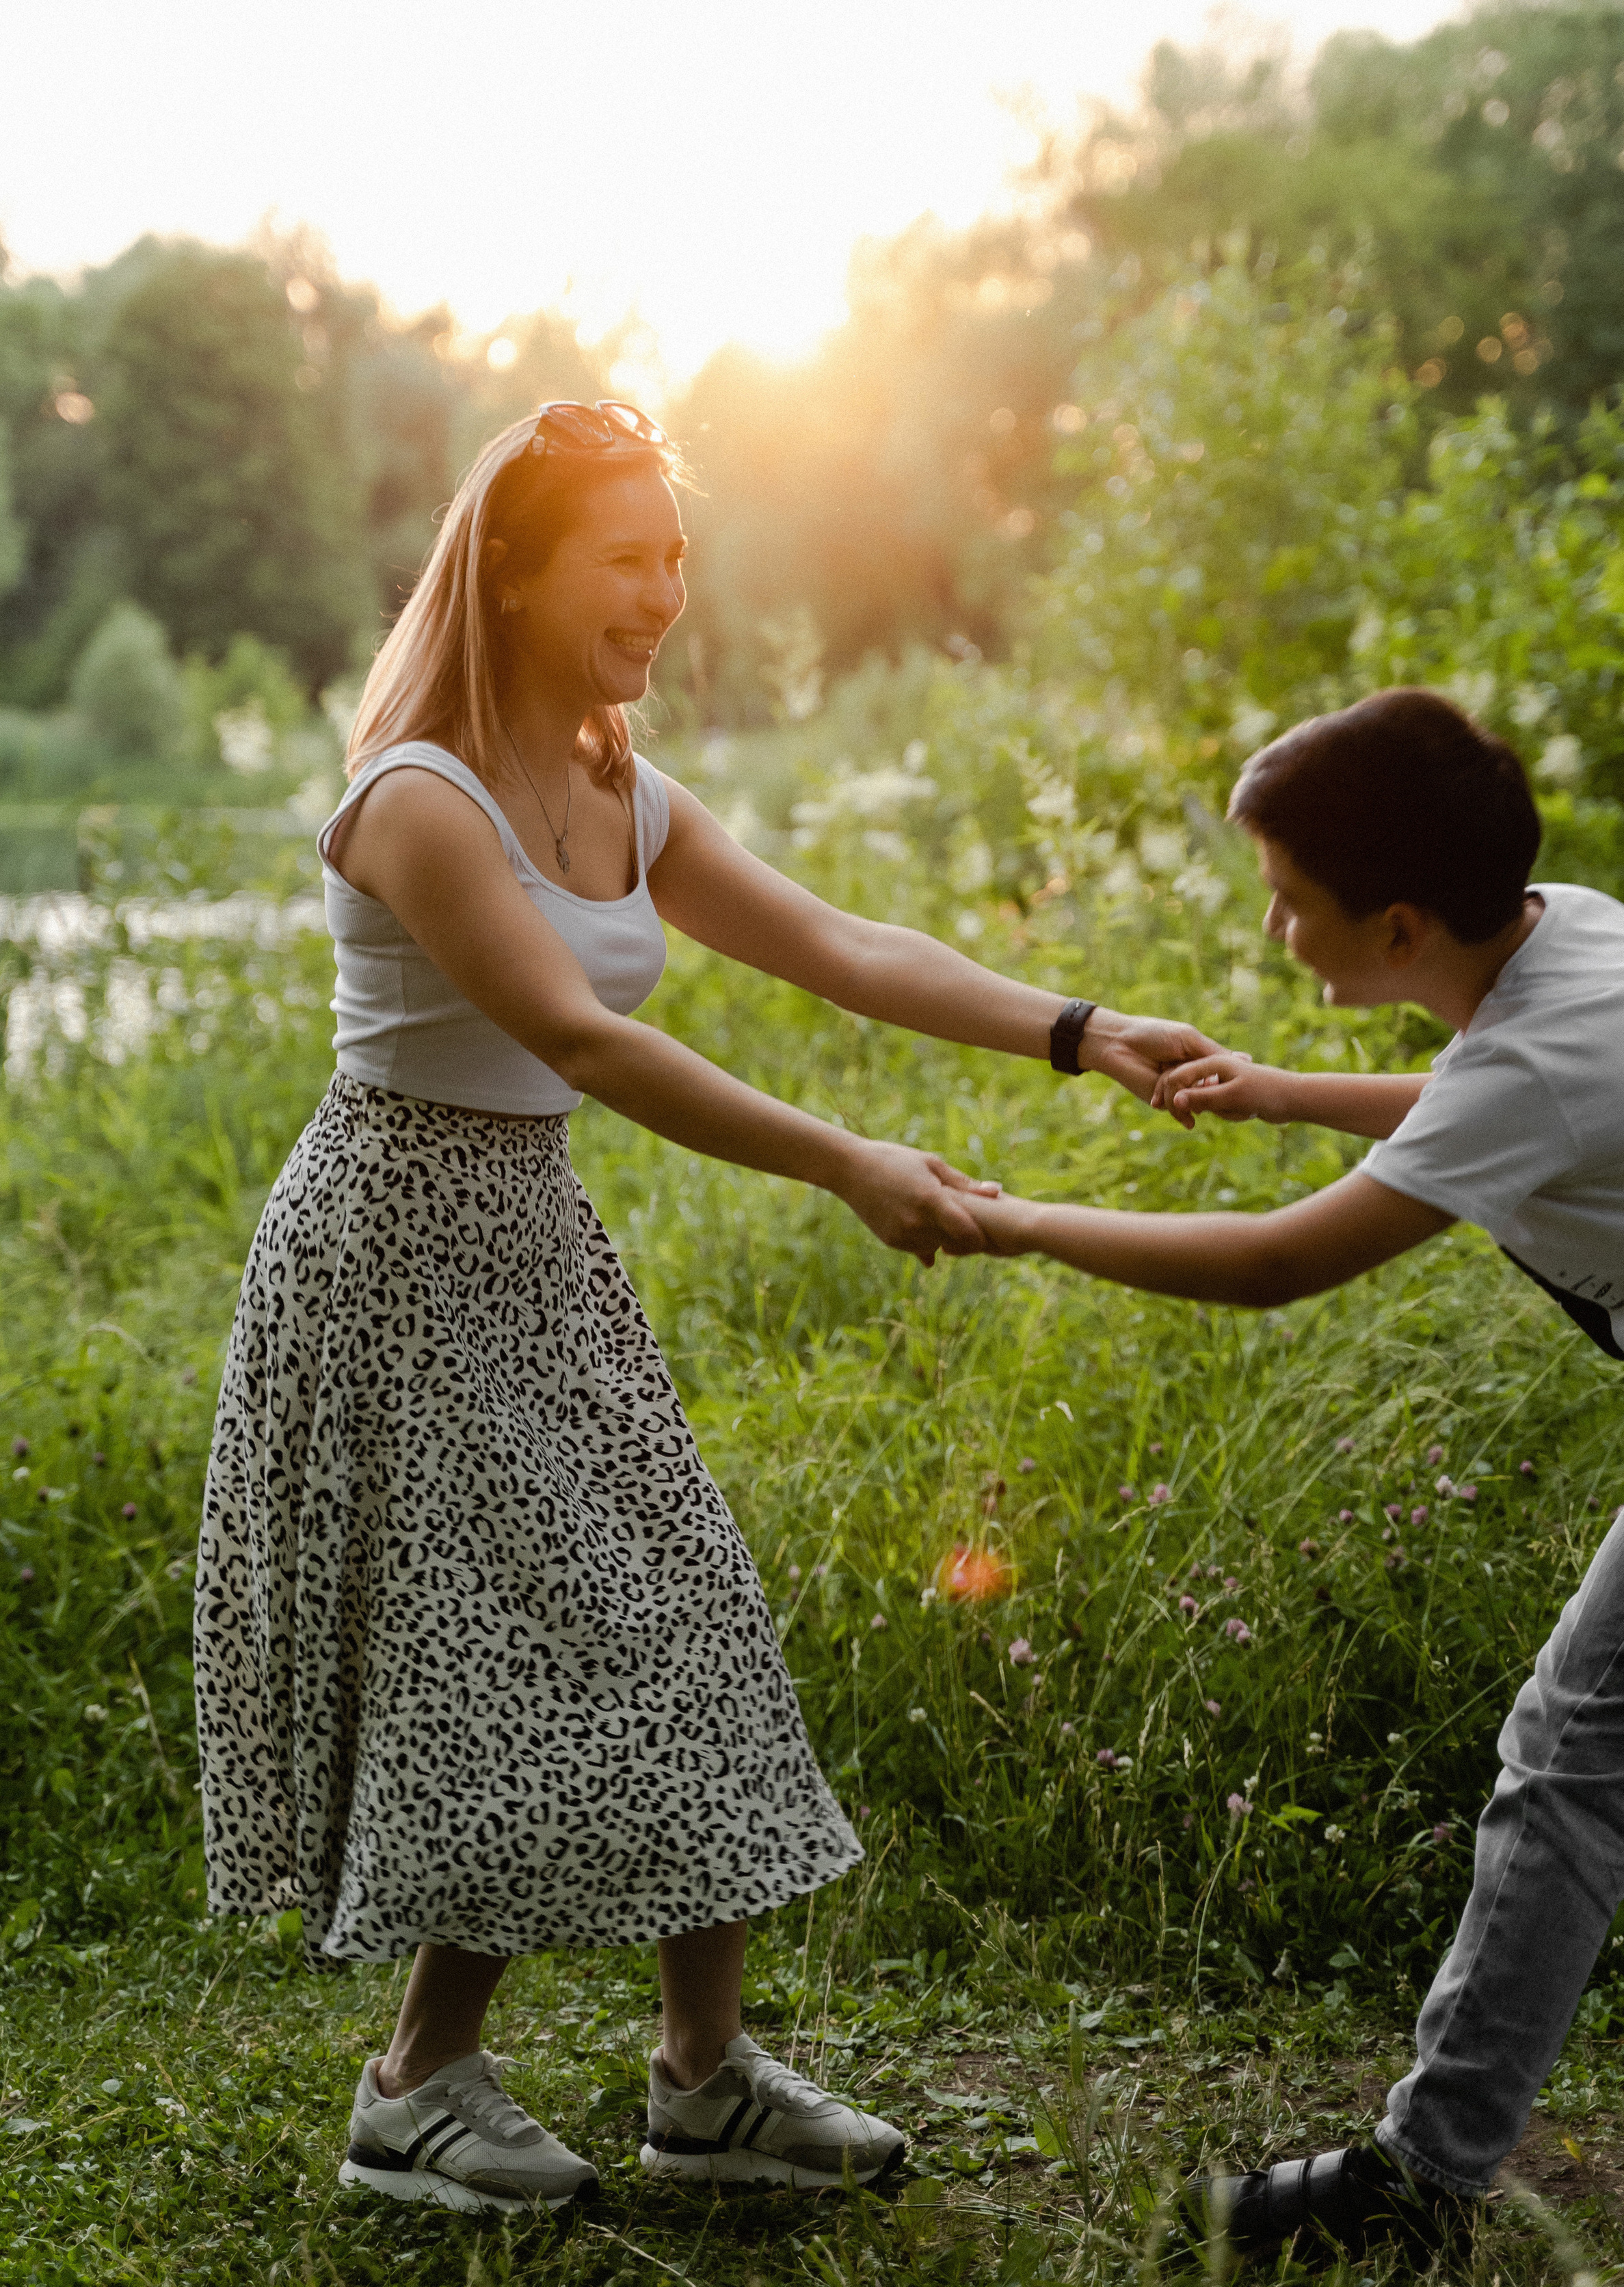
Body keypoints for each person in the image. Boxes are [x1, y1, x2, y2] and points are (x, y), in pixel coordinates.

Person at [191, 397, 1215, 2215]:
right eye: (628, 560)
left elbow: (842, 946)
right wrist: (849, 1163)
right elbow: (581, 1035)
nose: (668, 595)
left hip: (532, 1242)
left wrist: (1080, 1031)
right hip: (392, 1257)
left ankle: (705, 2079)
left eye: (680, 558)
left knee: (688, 1608)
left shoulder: (618, 789)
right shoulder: (414, 798)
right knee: (514, 1657)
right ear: (515, 569)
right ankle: (415, 2087)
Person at [963, 686, 1624, 2264]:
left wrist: (1015, 1219)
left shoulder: (1524, 1060)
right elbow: (1499, 1102)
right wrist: (1285, 1091)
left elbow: (1275, 1264)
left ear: (1397, 926)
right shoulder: (1567, 933)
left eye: (1287, 902)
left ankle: (1414, 2183)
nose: (1269, 928)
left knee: (1565, 1771)